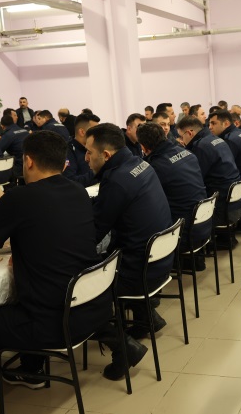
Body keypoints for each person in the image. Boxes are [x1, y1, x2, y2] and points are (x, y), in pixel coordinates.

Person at [0, 132, 113, 414]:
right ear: (63, 163)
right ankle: (31, 368)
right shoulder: (77, 191)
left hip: (54, 324)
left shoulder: (20, 198)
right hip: (93, 307)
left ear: (28, 161)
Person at [85, 123, 174, 344]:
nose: (86, 158)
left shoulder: (117, 180)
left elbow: (93, 233)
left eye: (89, 152)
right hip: (161, 260)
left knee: (79, 286)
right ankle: (147, 317)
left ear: (106, 155)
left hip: (139, 272)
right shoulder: (141, 164)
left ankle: (121, 345)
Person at [137, 123, 209, 271]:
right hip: (204, 224)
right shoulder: (187, 152)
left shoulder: (155, 167)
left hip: (182, 234)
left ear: (143, 147)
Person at [176, 116, 241, 249]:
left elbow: (197, 177)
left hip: (221, 203)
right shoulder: (216, 139)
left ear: (190, 133)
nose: (181, 141)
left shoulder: (200, 146)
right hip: (234, 198)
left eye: (181, 137)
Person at [208, 110, 241, 179]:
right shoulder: (240, 132)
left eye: (213, 123)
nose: (210, 127)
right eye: (209, 124)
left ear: (226, 123)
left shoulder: (230, 140)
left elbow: (226, 168)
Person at [63, 112, 100, 187]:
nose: (99, 135)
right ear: (82, 132)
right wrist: (99, 171)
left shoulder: (97, 147)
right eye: (95, 131)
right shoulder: (67, 152)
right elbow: (70, 181)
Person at [0, 113, 29, 182]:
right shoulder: (25, 131)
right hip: (32, 163)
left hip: (20, 166)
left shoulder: (8, 135)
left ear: (2, 126)